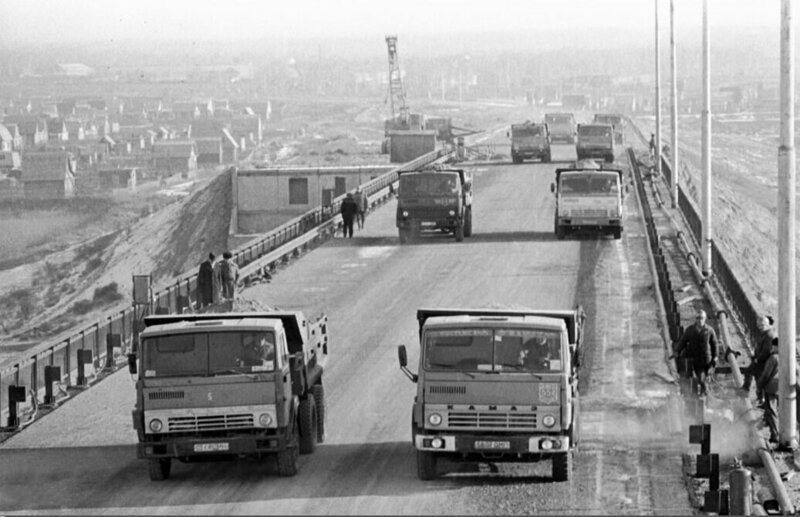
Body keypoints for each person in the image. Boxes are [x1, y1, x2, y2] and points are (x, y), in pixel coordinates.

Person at [671, 309, 718, 397]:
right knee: (701, 378)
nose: (699, 320)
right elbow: (683, 342)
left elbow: (715, 345)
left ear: (705, 319)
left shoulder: (710, 330)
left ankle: (706, 394)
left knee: (708, 377)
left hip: (708, 359)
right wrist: (677, 351)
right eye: (698, 318)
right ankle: (705, 396)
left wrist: (715, 357)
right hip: (697, 360)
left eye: (701, 318)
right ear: (695, 319)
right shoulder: (690, 330)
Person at [741, 315, 777, 401]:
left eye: (762, 325)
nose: (759, 327)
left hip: (763, 362)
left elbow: (766, 351)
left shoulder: (769, 335)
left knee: (749, 372)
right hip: (762, 361)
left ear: (767, 325)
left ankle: (746, 390)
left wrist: (758, 359)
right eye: (758, 325)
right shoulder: (766, 333)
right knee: (758, 379)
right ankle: (760, 398)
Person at [757, 337, 780, 445]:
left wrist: (759, 386)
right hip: (784, 388)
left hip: (772, 388)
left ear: (775, 346)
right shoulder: (789, 356)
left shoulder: (773, 358)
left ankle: (775, 435)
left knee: (772, 411)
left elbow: (766, 374)